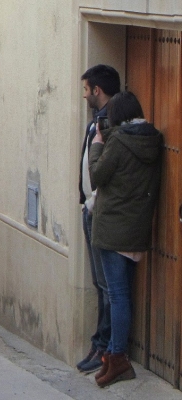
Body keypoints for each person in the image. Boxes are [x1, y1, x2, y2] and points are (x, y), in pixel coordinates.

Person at [88, 91, 162, 387]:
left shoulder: (117, 141)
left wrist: (96, 145)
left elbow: (96, 174)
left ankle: (117, 357)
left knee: (116, 295)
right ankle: (114, 356)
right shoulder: (151, 139)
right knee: (123, 294)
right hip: (136, 227)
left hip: (112, 228)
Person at [76, 64, 121, 372]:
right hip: (90, 209)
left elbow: (102, 171)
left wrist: (92, 203)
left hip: (100, 212)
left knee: (107, 287)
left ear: (97, 91)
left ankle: (104, 346)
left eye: (86, 90)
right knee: (98, 282)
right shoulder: (97, 122)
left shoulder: (110, 124)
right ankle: (98, 343)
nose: (84, 95)